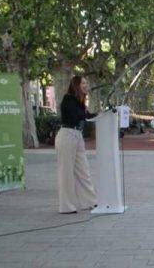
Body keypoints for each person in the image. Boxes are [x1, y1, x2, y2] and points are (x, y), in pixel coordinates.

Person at [56, 75, 97, 214]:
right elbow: (78, 116)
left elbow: (87, 115)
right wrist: (91, 115)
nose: (86, 85)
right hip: (67, 135)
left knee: (83, 170)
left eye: (86, 83)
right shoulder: (68, 99)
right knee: (66, 172)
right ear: (76, 85)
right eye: (83, 83)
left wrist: (101, 114)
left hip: (77, 136)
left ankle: (90, 201)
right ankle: (66, 206)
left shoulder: (79, 101)